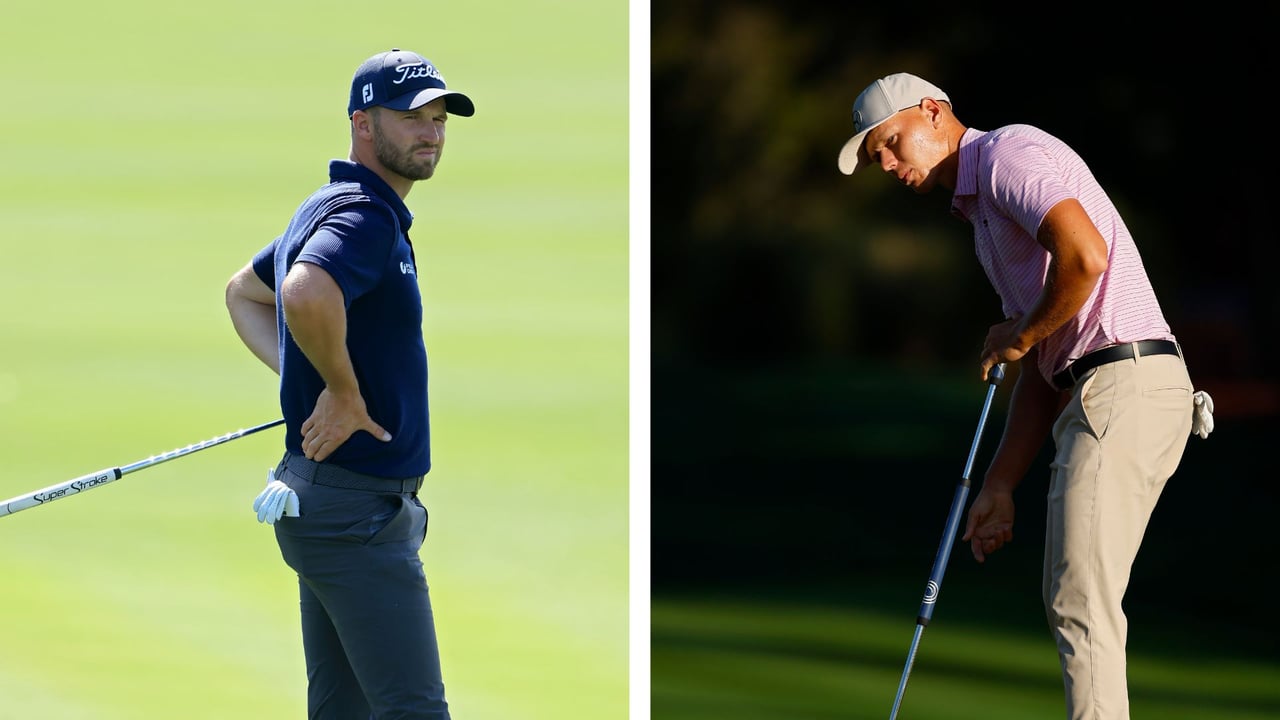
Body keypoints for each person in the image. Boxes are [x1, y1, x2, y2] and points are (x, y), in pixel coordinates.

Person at [837, 72, 1214, 719]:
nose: (890, 164)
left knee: (1079, 598)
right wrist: (1000, 483)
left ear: (932, 112)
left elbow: (1085, 258)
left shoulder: (1006, 155)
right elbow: (1042, 361)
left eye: (892, 144)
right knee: (1077, 595)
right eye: (878, 159)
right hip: (1106, 388)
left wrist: (1021, 331)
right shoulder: (981, 212)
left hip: (1125, 384)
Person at [225, 47, 475, 720]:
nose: (431, 132)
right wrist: (337, 388)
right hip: (355, 512)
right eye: (411, 118)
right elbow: (302, 291)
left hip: (327, 500)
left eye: (439, 117)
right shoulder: (362, 218)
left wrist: (309, 376)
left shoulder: (335, 204)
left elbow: (246, 294)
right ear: (364, 123)